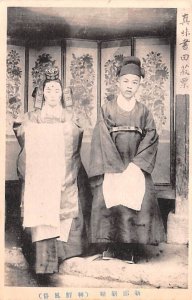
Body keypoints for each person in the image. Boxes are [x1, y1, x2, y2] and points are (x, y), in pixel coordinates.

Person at [13, 66, 92, 277]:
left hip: (66, 170)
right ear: (42, 93)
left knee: (67, 203)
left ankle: (65, 252)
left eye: (56, 90)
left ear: (62, 93)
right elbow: (22, 131)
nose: (52, 95)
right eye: (48, 90)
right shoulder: (33, 116)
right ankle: (42, 256)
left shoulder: (70, 115)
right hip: (41, 172)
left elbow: (75, 133)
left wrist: (58, 133)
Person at [88, 56, 166, 263]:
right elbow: (101, 136)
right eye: (126, 81)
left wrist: (136, 165)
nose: (130, 86)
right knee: (109, 199)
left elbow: (151, 137)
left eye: (135, 82)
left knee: (139, 198)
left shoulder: (144, 111)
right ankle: (111, 247)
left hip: (135, 163)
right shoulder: (107, 109)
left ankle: (130, 248)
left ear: (140, 84)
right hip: (111, 161)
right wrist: (114, 166)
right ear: (117, 82)